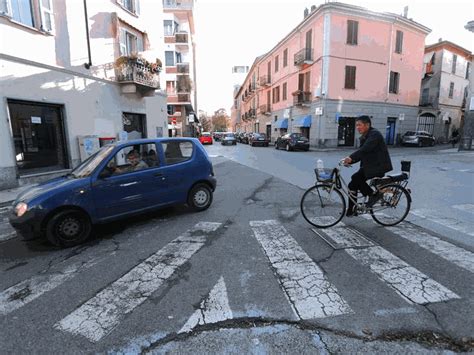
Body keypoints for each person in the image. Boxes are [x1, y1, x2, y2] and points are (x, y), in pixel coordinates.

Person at [342, 116, 393, 216]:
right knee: (352, 185)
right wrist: (350, 161)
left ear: (367, 125)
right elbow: (362, 154)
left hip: (379, 166)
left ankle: (374, 195)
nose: (357, 127)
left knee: (356, 177)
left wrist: (351, 157)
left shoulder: (374, 135)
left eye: (359, 125)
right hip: (370, 166)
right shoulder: (366, 136)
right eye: (356, 125)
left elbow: (365, 149)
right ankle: (352, 209)